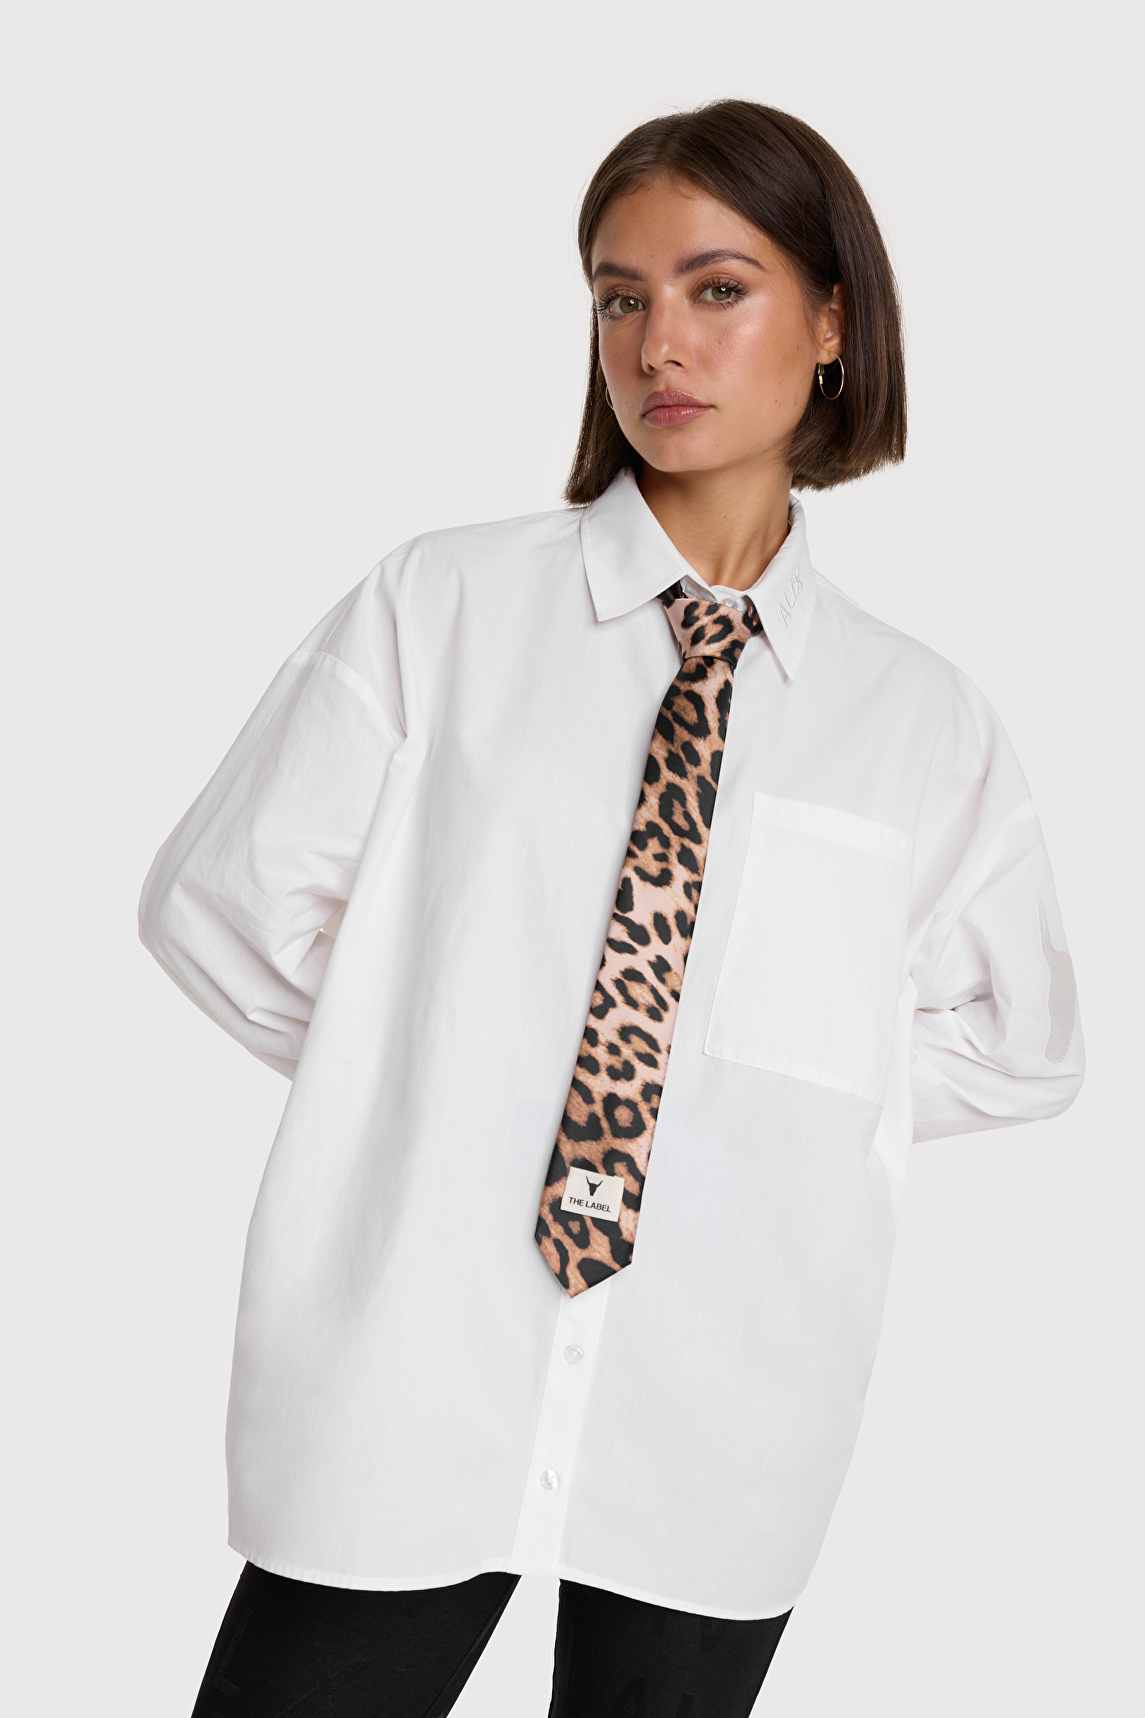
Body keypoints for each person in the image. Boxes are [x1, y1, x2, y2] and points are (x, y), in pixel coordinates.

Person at [140, 99, 1084, 1718]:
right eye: (619, 296)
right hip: (410, 1364)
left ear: (833, 320)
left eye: (718, 289)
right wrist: (439, 1073)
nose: (661, 343)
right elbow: (220, 904)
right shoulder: (442, 607)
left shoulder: (918, 722)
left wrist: (751, 1103)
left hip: (724, 1404)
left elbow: (1023, 1042)